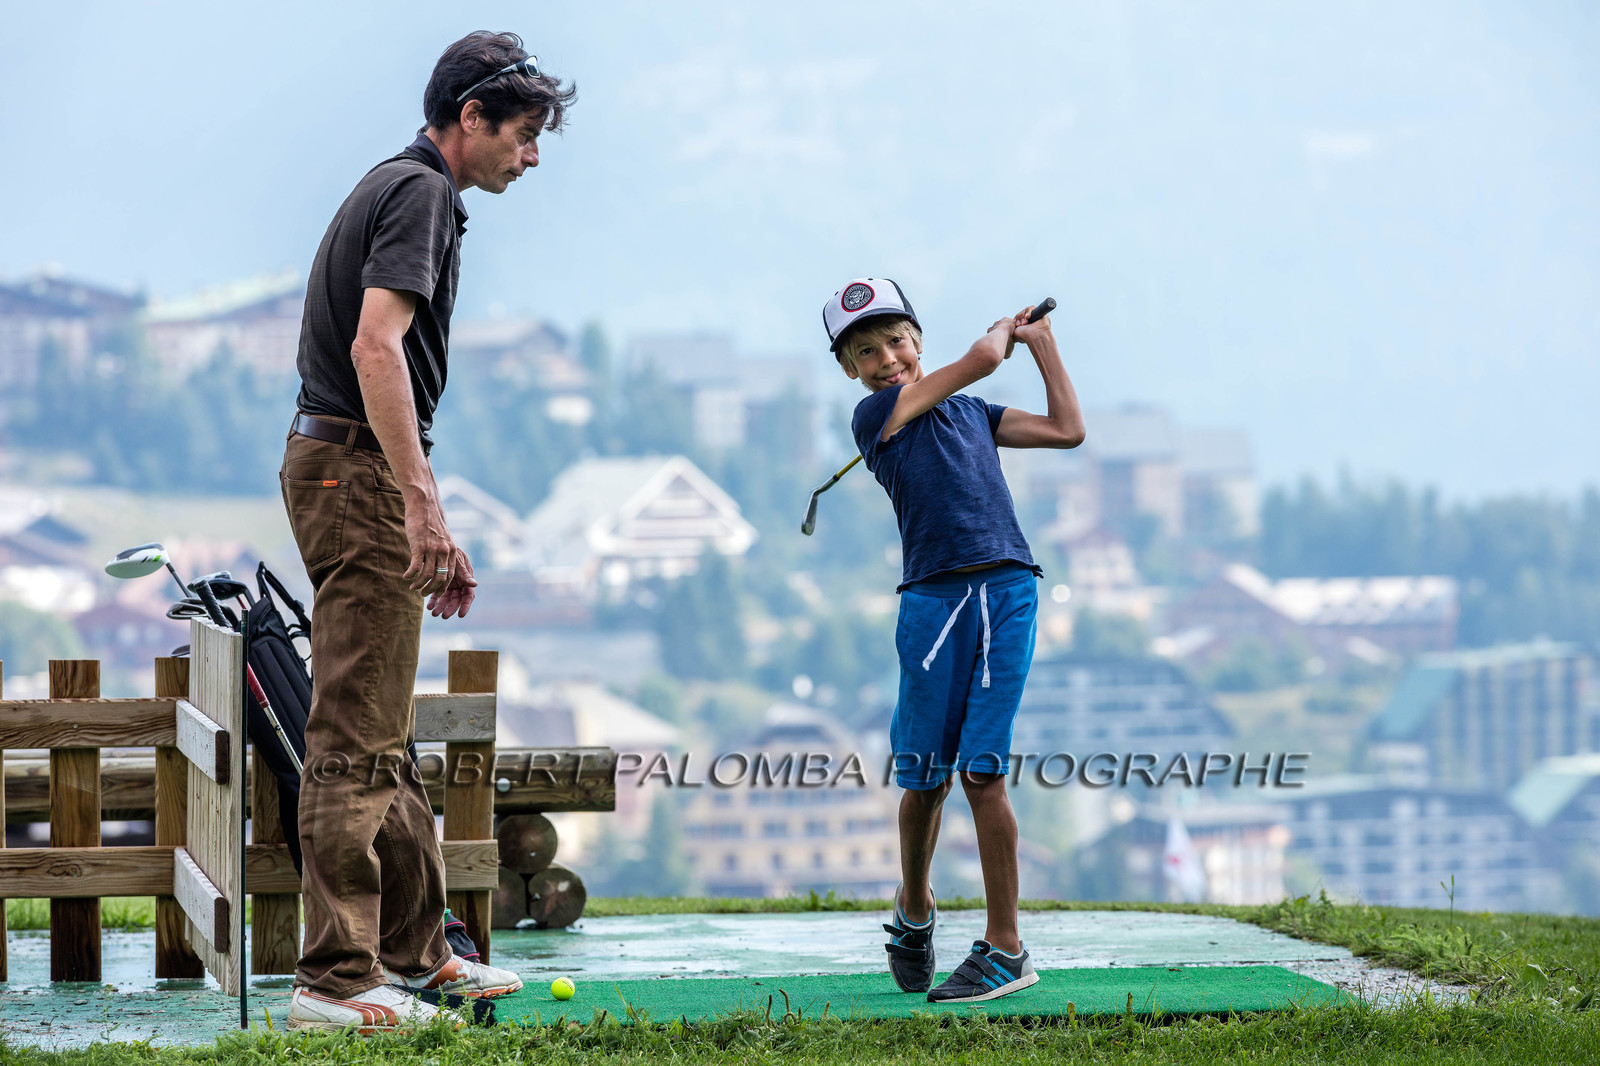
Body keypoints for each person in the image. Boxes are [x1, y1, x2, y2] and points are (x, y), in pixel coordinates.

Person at [281, 32, 575, 1033]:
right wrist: (420, 501)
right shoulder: (420, 194)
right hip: (354, 467)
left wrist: (416, 502)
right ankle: (333, 979)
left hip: (343, 464)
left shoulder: (400, 185)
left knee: (383, 726)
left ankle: (417, 955)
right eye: (523, 134)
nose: (531, 156)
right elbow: (377, 346)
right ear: (469, 118)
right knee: (355, 736)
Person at [823, 278, 1085, 1004]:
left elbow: (1067, 429)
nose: (886, 359)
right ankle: (915, 907)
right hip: (932, 604)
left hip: (1007, 592)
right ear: (848, 368)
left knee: (982, 773)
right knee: (923, 778)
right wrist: (998, 342)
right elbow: (981, 360)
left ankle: (1006, 948)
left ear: (918, 340)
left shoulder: (975, 413)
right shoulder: (876, 416)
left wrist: (1042, 344)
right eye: (865, 351)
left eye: (897, 341)